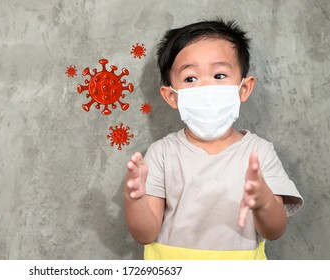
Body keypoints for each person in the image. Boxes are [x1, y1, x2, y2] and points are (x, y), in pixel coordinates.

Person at [124, 19, 304, 260]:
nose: (206, 87)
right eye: (190, 79)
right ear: (171, 96)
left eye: (219, 75)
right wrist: (134, 200)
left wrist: (264, 202)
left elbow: (274, 231)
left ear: (244, 89)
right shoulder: (162, 154)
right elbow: (145, 233)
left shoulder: (259, 153)